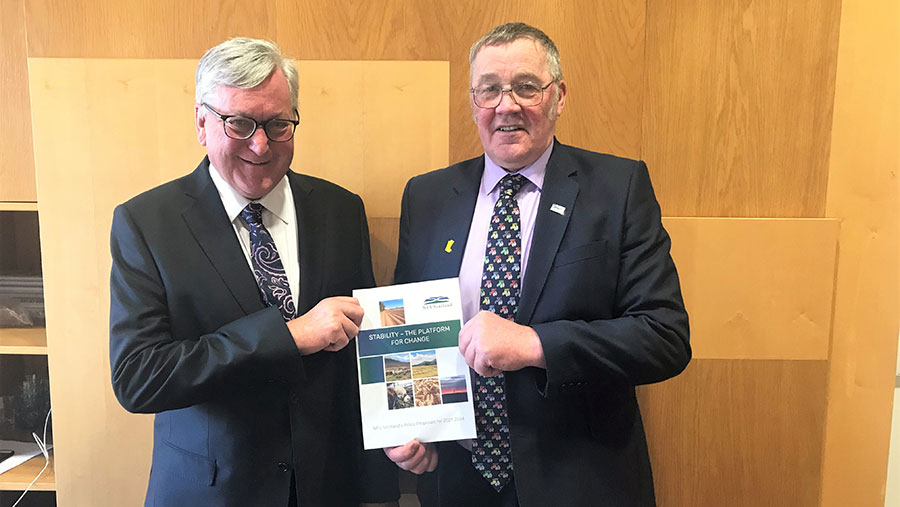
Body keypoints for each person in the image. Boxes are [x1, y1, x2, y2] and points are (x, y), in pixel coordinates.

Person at [385, 22, 691, 506]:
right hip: (458, 481)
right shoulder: (427, 197)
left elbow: (664, 338)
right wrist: (409, 426)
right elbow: (407, 332)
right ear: (473, 102)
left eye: (526, 87)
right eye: (490, 90)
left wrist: (534, 344)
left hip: (580, 479)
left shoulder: (617, 188)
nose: (507, 105)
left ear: (558, 96)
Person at [109, 37, 399, 506]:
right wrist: (287, 337)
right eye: (240, 123)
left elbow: (359, 357)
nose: (261, 144)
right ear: (202, 123)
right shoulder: (147, 223)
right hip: (209, 493)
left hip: (326, 487)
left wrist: (394, 448)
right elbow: (138, 378)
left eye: (278, 123)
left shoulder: (340, 210)